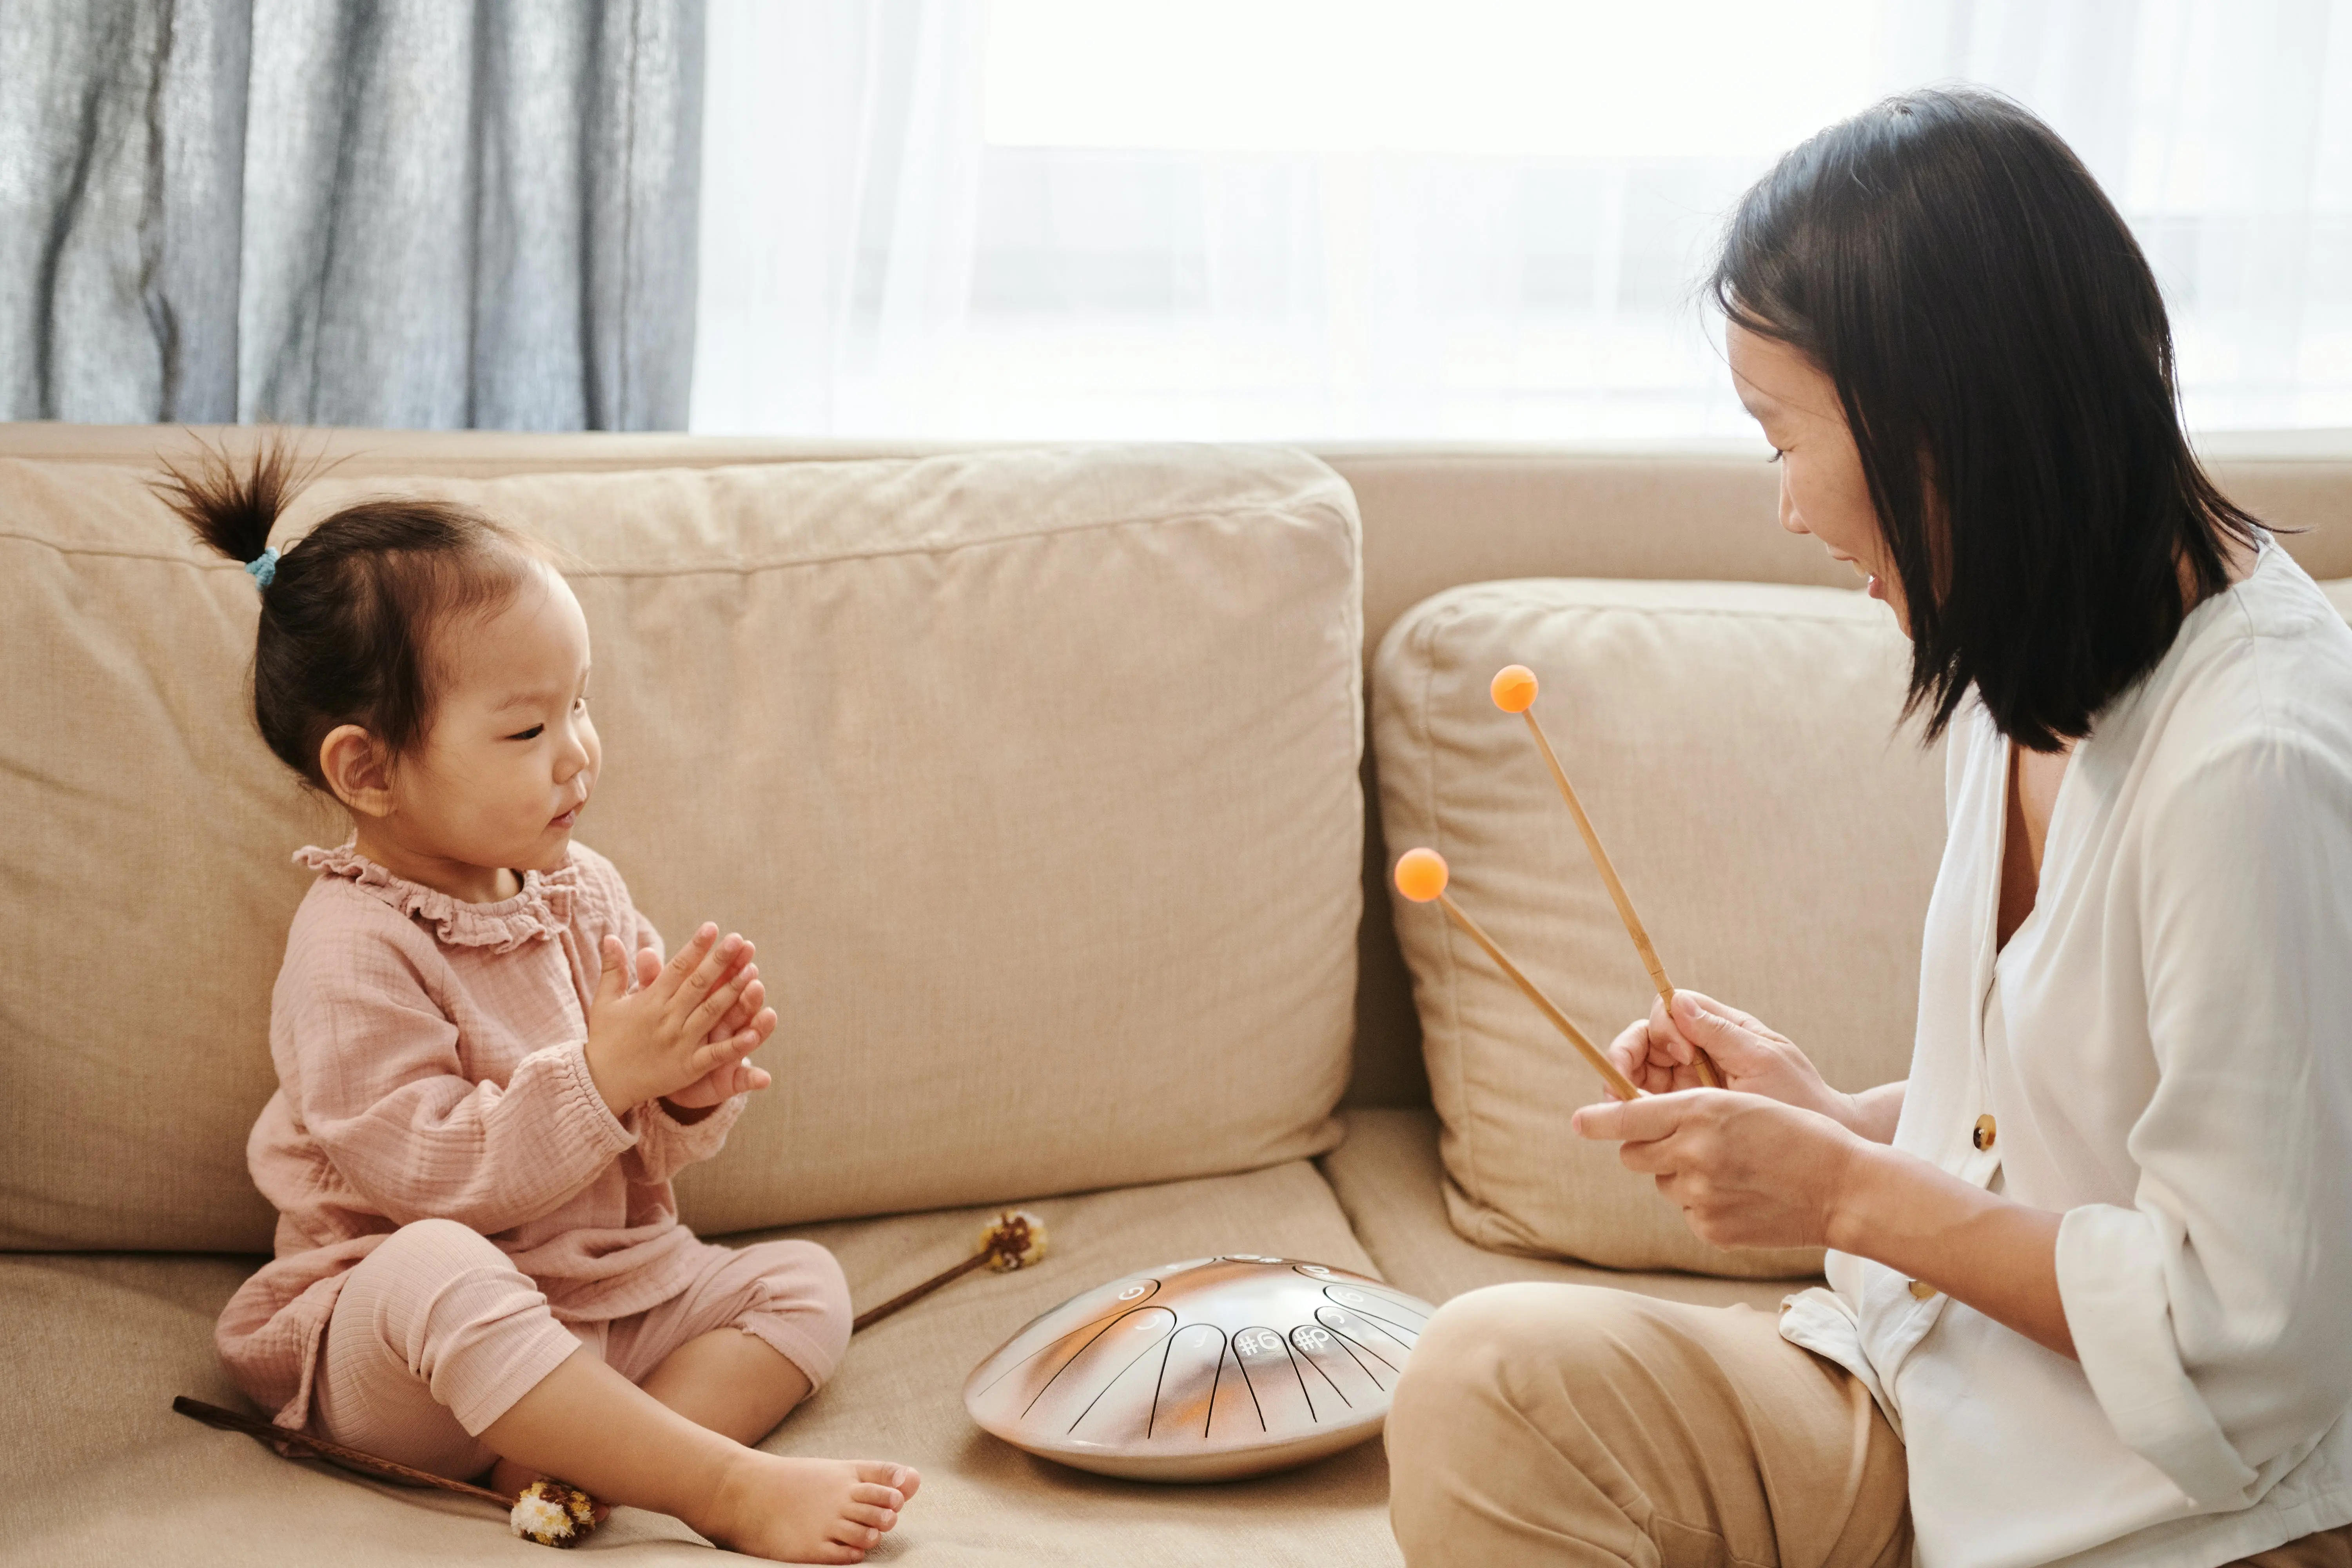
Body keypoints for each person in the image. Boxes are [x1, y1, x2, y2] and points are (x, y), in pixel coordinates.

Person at [1384, 89, 2352, 1568]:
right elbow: (2072, 1115)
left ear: (1940, 425)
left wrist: (1842, 1191)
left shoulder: (2258, 763)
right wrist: (1833, 1116)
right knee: (1486, 1377)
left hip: (2175, 1510)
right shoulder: (2034, 657)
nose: (1783, 508)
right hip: (1933, 1401)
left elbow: (2242, 1338)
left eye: (1781, 435)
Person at [174, 448, 918, 1565]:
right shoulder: (352, 947)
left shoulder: (587, 893)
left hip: (602, 1300)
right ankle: (713, 1485)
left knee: (802, 1283)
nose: (576, 751)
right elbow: (425, 1178)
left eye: (579, 704)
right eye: (526, 731)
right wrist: (606, 1077)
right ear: (368, 773)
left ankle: (575, 1459)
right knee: (431, 1266)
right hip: (411, 1354)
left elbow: (641, 1161)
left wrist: (683, 1092)